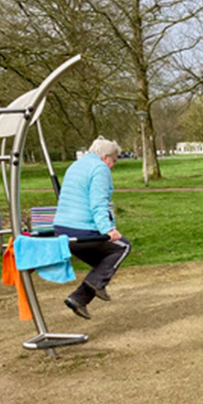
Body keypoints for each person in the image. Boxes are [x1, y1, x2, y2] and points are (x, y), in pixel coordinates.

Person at [53, 137, 131, 320]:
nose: (113, 166)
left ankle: (80, 298)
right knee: (123, 247)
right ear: (105, 157)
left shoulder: (76, 166)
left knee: (103, 263)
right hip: (80, 229)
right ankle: (88, 291)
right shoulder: (100, 169)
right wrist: (108, 229)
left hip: (61, 228)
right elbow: (98, 203)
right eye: (114, 161)